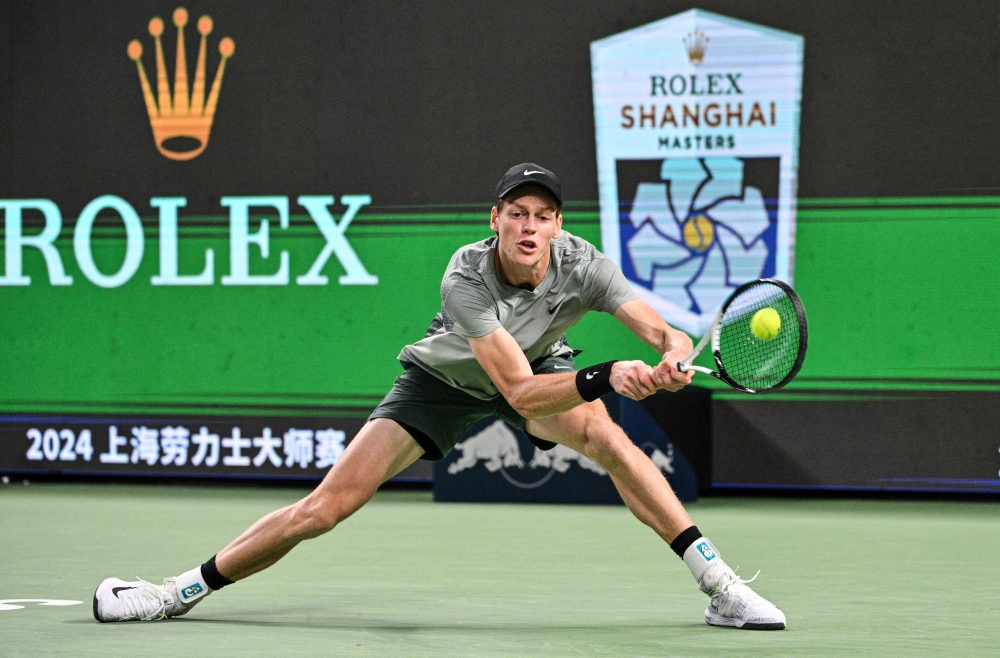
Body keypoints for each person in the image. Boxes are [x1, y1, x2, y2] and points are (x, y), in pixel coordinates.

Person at [93, 163, 785, 630]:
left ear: (556, 225)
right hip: (442, 385)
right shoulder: (466, 274)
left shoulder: (583, 263)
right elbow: (514, 389)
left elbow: (655, 326)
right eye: (517, 213)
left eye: (543, 216)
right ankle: (173, 592)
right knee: (325, 508)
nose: (530, 228)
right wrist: (607, 375)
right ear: (496, 218)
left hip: (545, 365)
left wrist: (670, 354)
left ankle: (719, 587)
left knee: (609, 438)